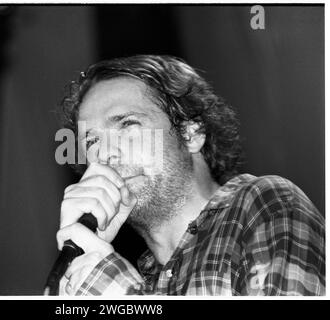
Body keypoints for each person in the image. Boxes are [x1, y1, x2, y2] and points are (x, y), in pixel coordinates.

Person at [55, 55, 325, 295]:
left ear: (190, 134)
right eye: (91, 142)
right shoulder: (138, 280)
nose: (105, 154)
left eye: (127, 124)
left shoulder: (264, 204)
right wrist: (81, 260)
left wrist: (115, 291)